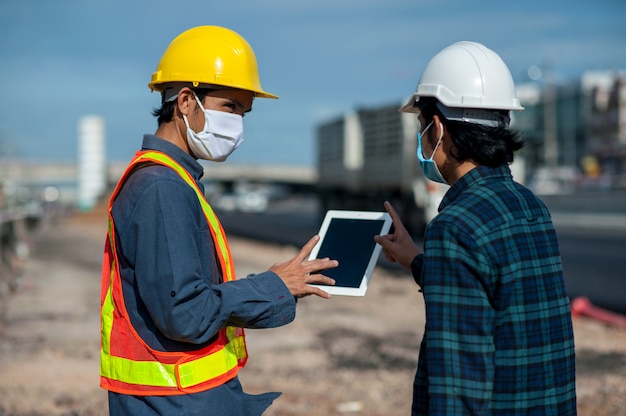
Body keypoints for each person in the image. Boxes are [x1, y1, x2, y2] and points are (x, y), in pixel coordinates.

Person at [99, 25, 337, 416]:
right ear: (187, 102)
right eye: (230, 107)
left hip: (180, 397)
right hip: (174, 402)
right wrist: (273, 285)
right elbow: (186, 313)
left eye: (244, 112)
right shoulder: (162, 187)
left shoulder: (171, 178)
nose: (238, 126)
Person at [374, 41, 577, 415]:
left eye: (421, 125)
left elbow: (459, 380)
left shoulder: (455, 226)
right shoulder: (531, 206)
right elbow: (495, 293)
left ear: (436, 128)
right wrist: (416, 262)